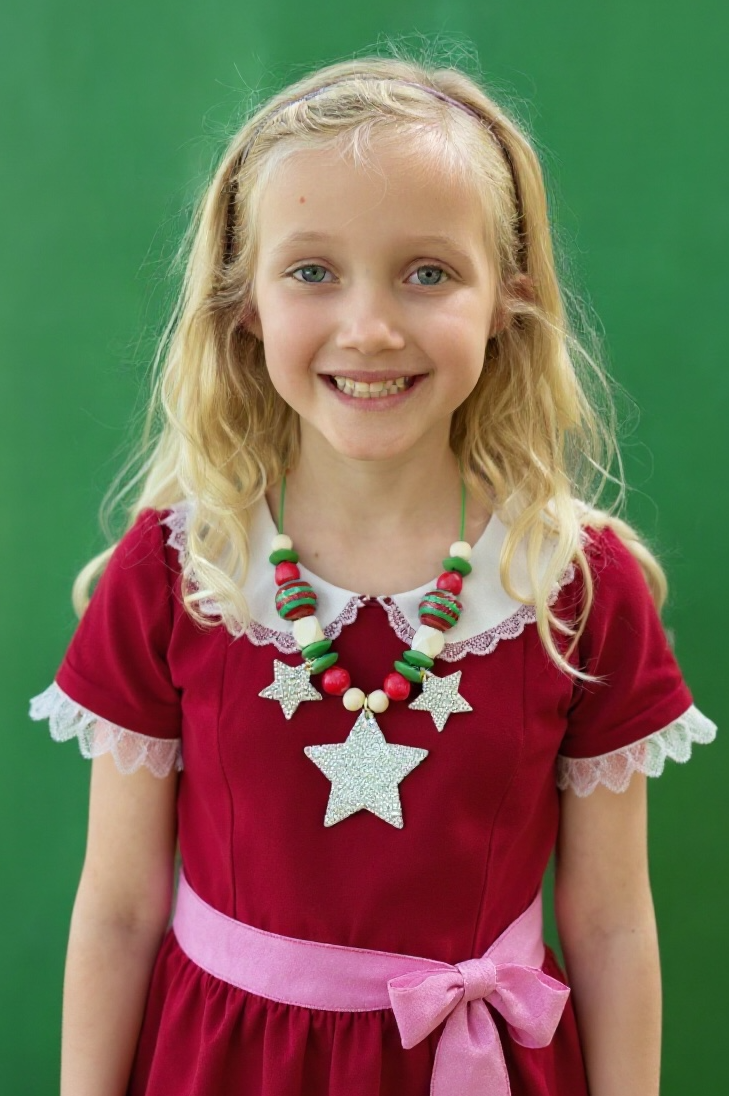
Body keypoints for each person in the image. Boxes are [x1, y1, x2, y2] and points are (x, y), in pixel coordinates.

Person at [29, 52, 717, 1096]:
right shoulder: (180, 571)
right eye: (312, 271)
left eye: (428, 272)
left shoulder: (571, 586)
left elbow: (614, 923)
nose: (370, 327)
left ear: (506, 303)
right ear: (245, 305)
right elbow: (120, 908)